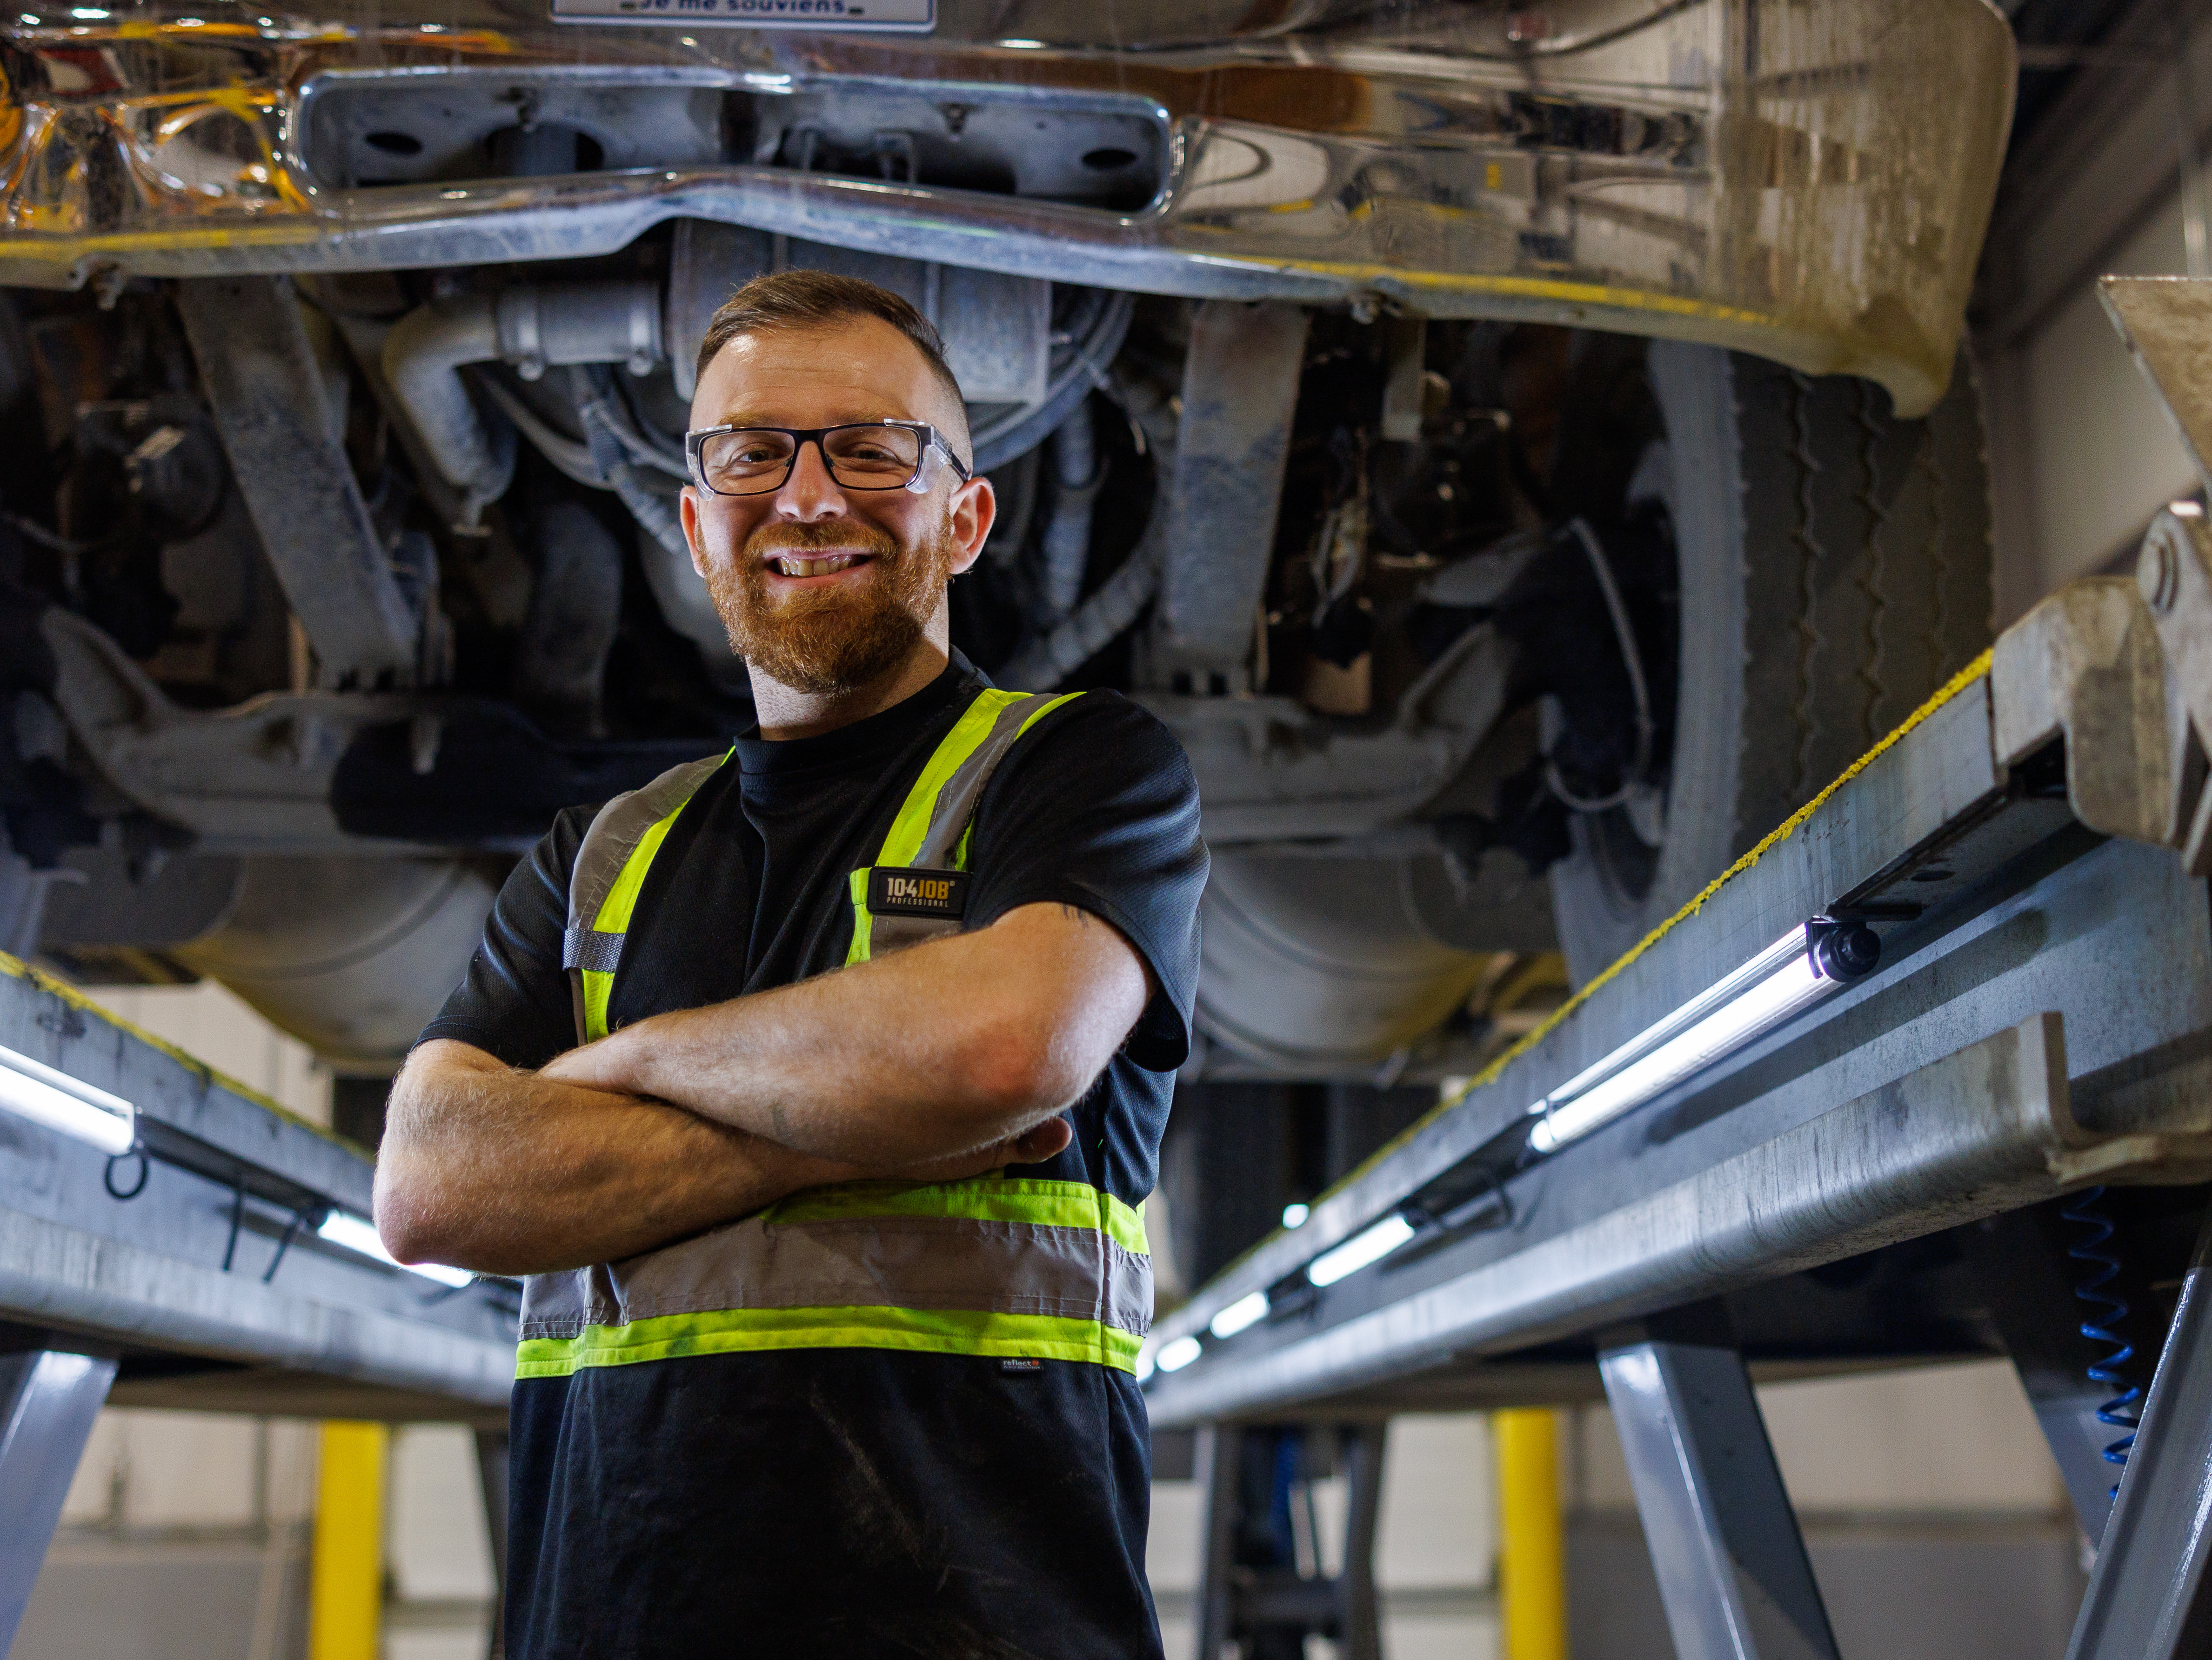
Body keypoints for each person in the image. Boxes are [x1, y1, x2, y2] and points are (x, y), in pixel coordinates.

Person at [374, 271, 1208, 1658]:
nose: (808, 497)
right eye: (752, 453)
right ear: (698, 526)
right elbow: (432, 1182)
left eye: (871, 449)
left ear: (967, 513)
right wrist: (857, 1133)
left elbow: (1001, 1054)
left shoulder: (1077, 770)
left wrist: (615, 1072)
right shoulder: (599, 854)